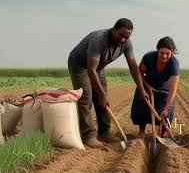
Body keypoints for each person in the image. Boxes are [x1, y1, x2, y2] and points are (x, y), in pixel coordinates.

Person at [68, 18, 149, 148]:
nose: (123, 39)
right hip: (80, 66)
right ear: (114, 29)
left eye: (126, 37)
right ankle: (89, 136)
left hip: (97, 67)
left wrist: (142, 88)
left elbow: (133, 66)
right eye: (121, 35)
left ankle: (105, 132)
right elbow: (91, 69)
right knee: (86, 97)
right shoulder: (98, 39)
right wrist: (101, 94)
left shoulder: (126, 44)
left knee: (104, 99)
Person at [131, 36, 180, 138]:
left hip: (164, 87)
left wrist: (166, 108)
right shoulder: (149, 57)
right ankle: (141, 131)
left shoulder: (174, 64)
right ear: (157, 51)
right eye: (162, 53)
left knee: (167, 113)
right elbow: (139, 74)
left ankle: (161, 135)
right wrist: (146, 87)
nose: (164, 56)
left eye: (167, 54)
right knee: (141, 104)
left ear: (172, 53)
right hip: (146, 83)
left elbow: (173, 88)